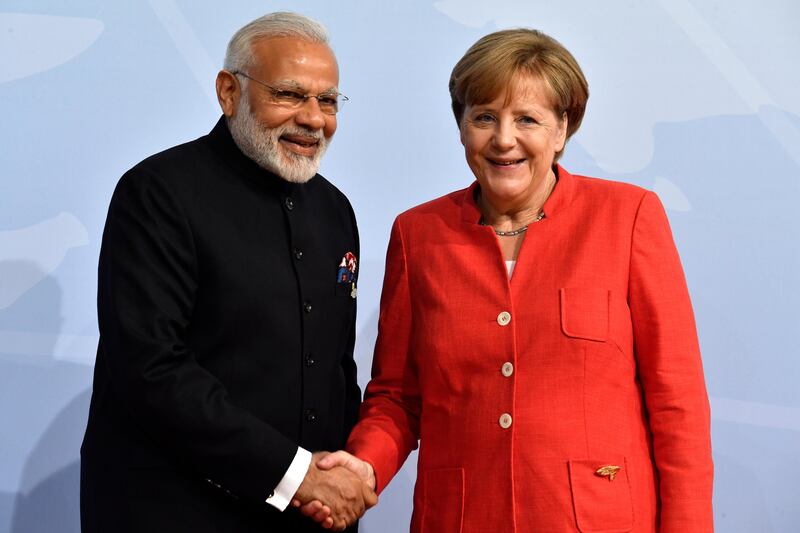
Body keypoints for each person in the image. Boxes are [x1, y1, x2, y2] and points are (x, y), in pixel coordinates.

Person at [303, 28, 714, 532]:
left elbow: (677, 404)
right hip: (459, 519)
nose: (503, 139)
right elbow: (398, 397)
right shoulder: (417, 234)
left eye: (527, 119)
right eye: (484, 117)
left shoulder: (628, 217)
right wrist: (363, 464)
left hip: (598, 519)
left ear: (562, 129)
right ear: (461, 127)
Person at [80, 12, 375, 533]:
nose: (313, 119)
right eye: (289, 94)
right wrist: (297, 475)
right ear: (228, 92)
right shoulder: (158, 194)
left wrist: (339, 478)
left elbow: (335, 371)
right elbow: (152, 369)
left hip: (310, 516)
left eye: (327, 100)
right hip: (176, 511)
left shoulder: (335, 211)